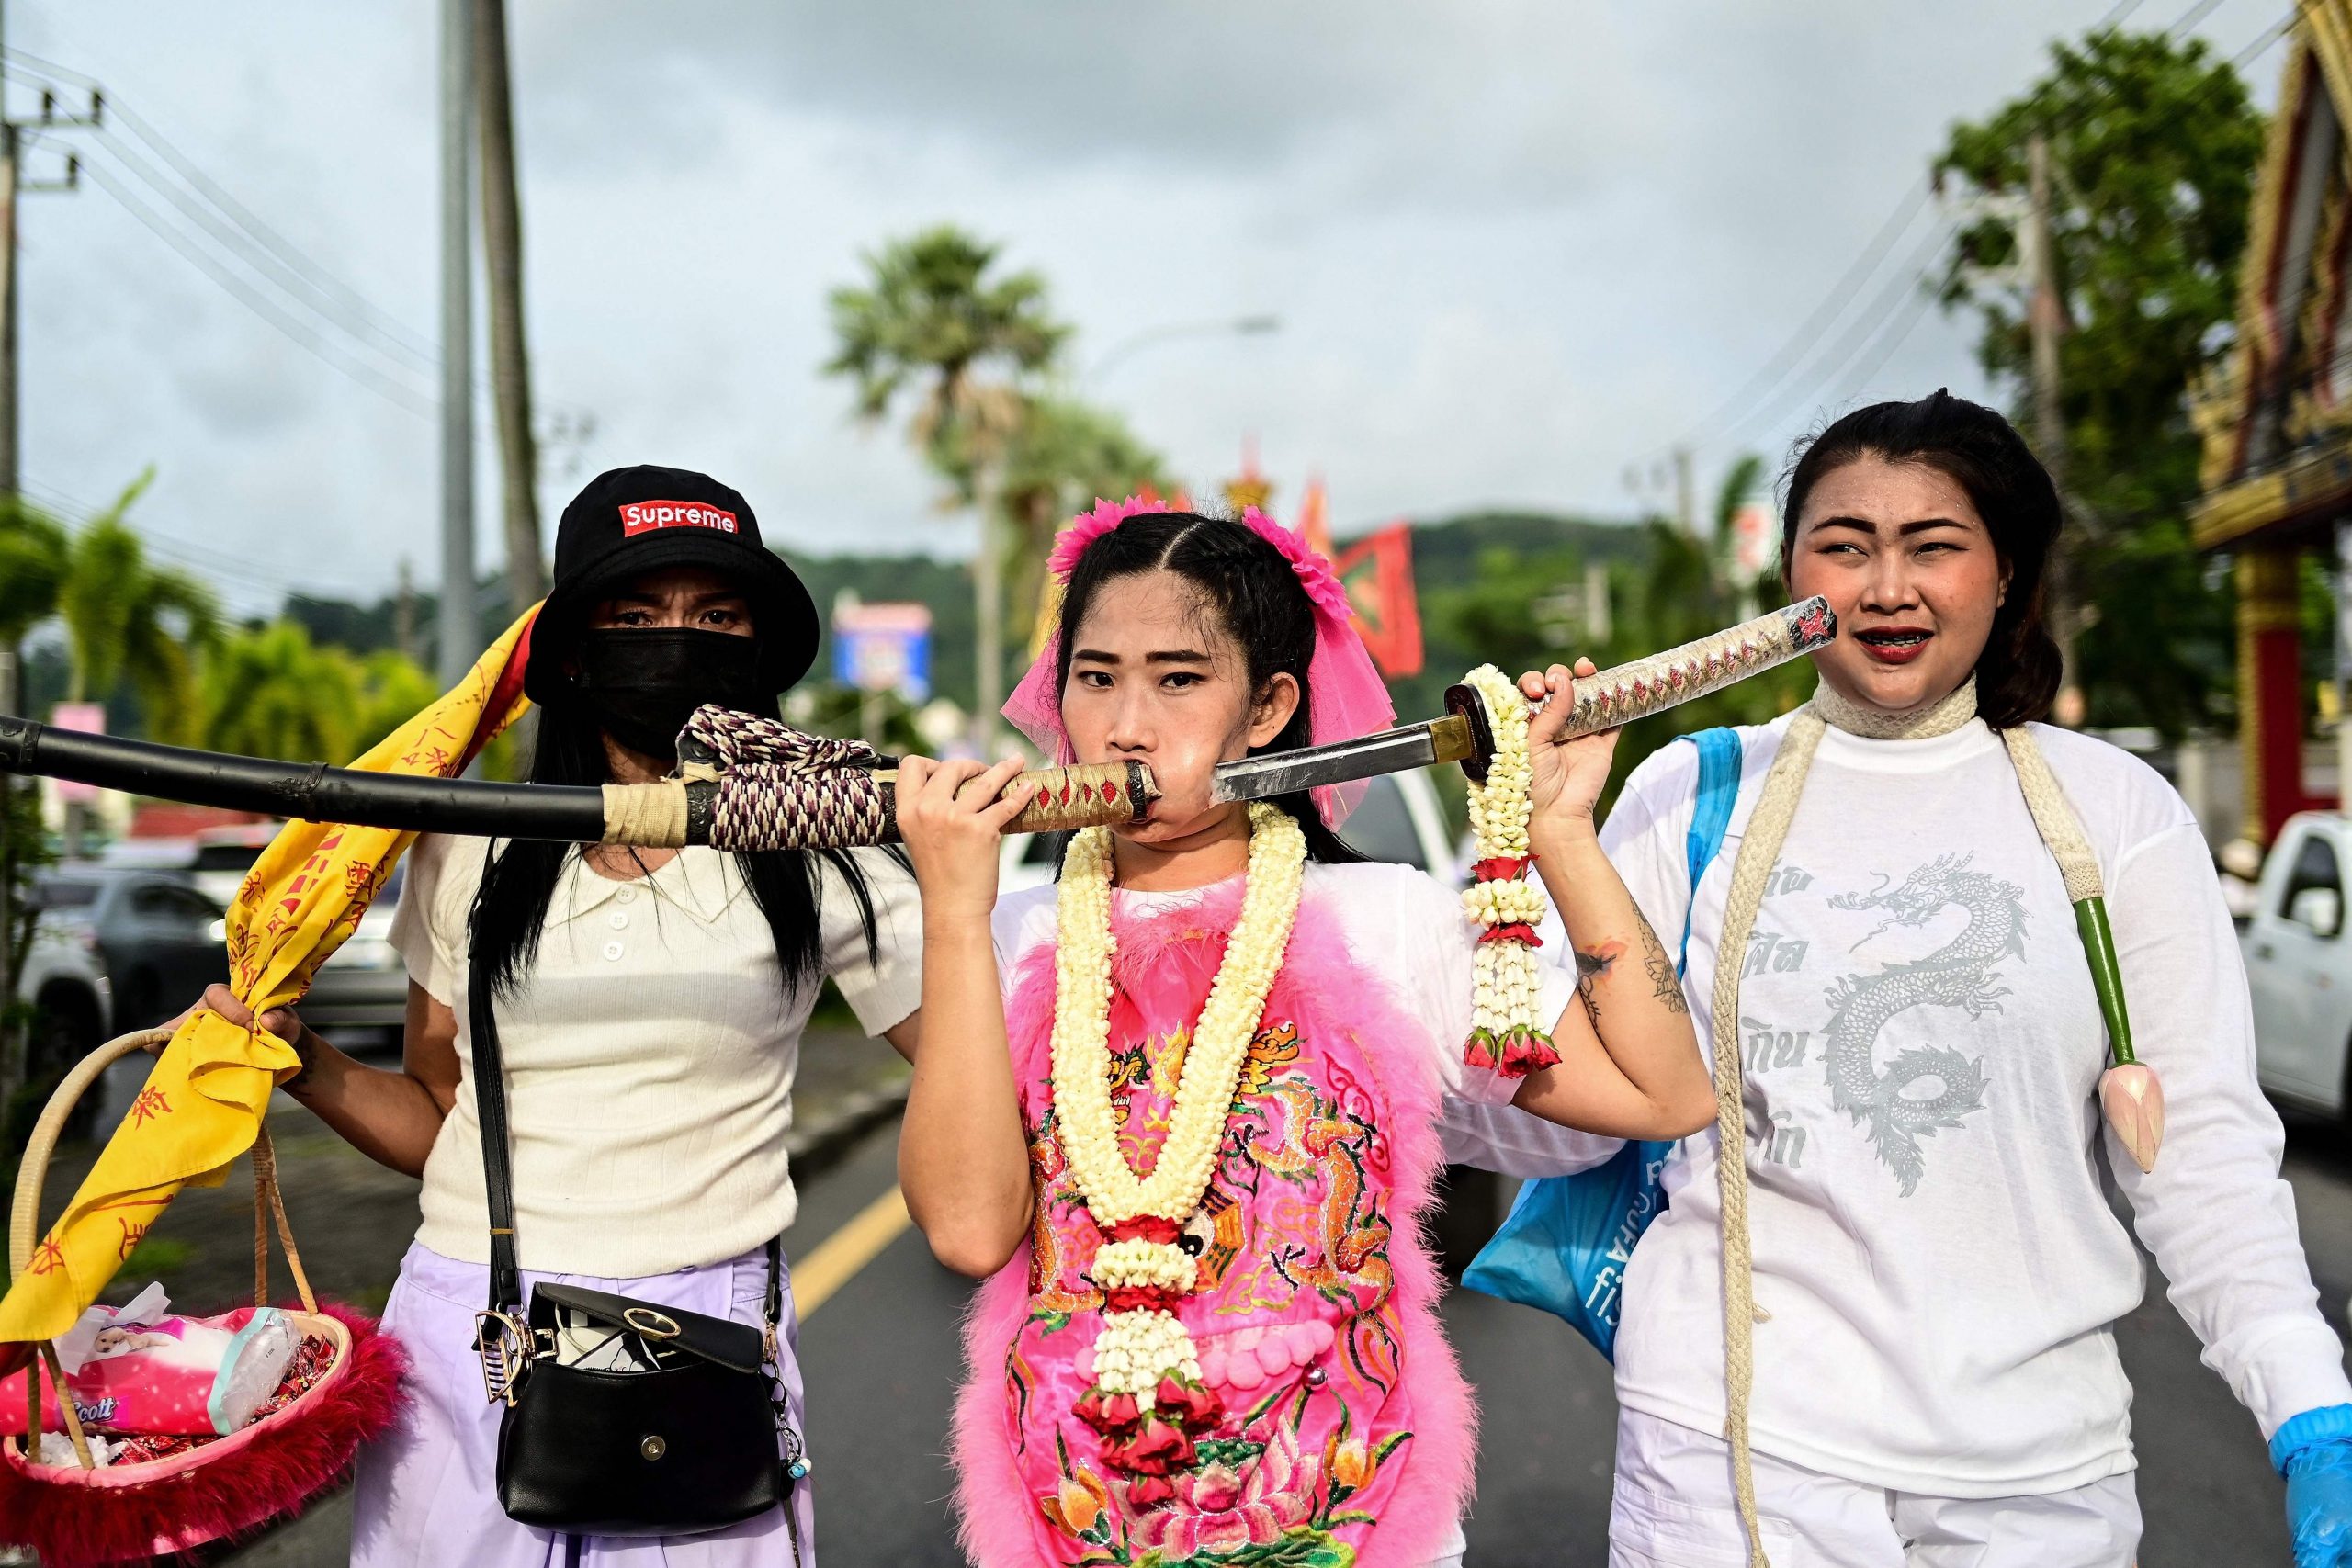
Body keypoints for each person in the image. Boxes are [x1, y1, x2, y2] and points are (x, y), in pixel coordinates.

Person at [1456, 392, 2352, 1568]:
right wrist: (1534, 843)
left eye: (1933, 546)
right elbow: (1558, 1124)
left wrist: (2308, 1410)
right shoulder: (1686, 795)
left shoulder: (2113, 812)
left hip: (2042, 1478)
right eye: (1843, 545)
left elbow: (2202, 1158)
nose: (1886, 587)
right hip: (1732, 1458)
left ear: (2004, 575)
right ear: (1790, 577)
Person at [892, 500, 1715, 1568]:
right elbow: (964, 1231)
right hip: (1072, 1521)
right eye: (1095, 678)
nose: (1127, 726)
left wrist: (1558, 830)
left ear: (1269, 708)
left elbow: (1664, 1100)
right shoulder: (1009, 934)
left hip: (1356, 1526)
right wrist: (953, 911)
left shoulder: (1386, 920)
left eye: (1179, 679)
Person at [173, 466, 922, 1566]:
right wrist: (304, 1063)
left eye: (715, 616)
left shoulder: (829, 853)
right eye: (636, 616)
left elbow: (986, 1073)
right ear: (570, 651)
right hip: (470, 1329)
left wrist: (960, 876)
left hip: (706, 1334)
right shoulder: (471, 841)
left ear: (757, 649)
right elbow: (442, 1113)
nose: (678, 639)